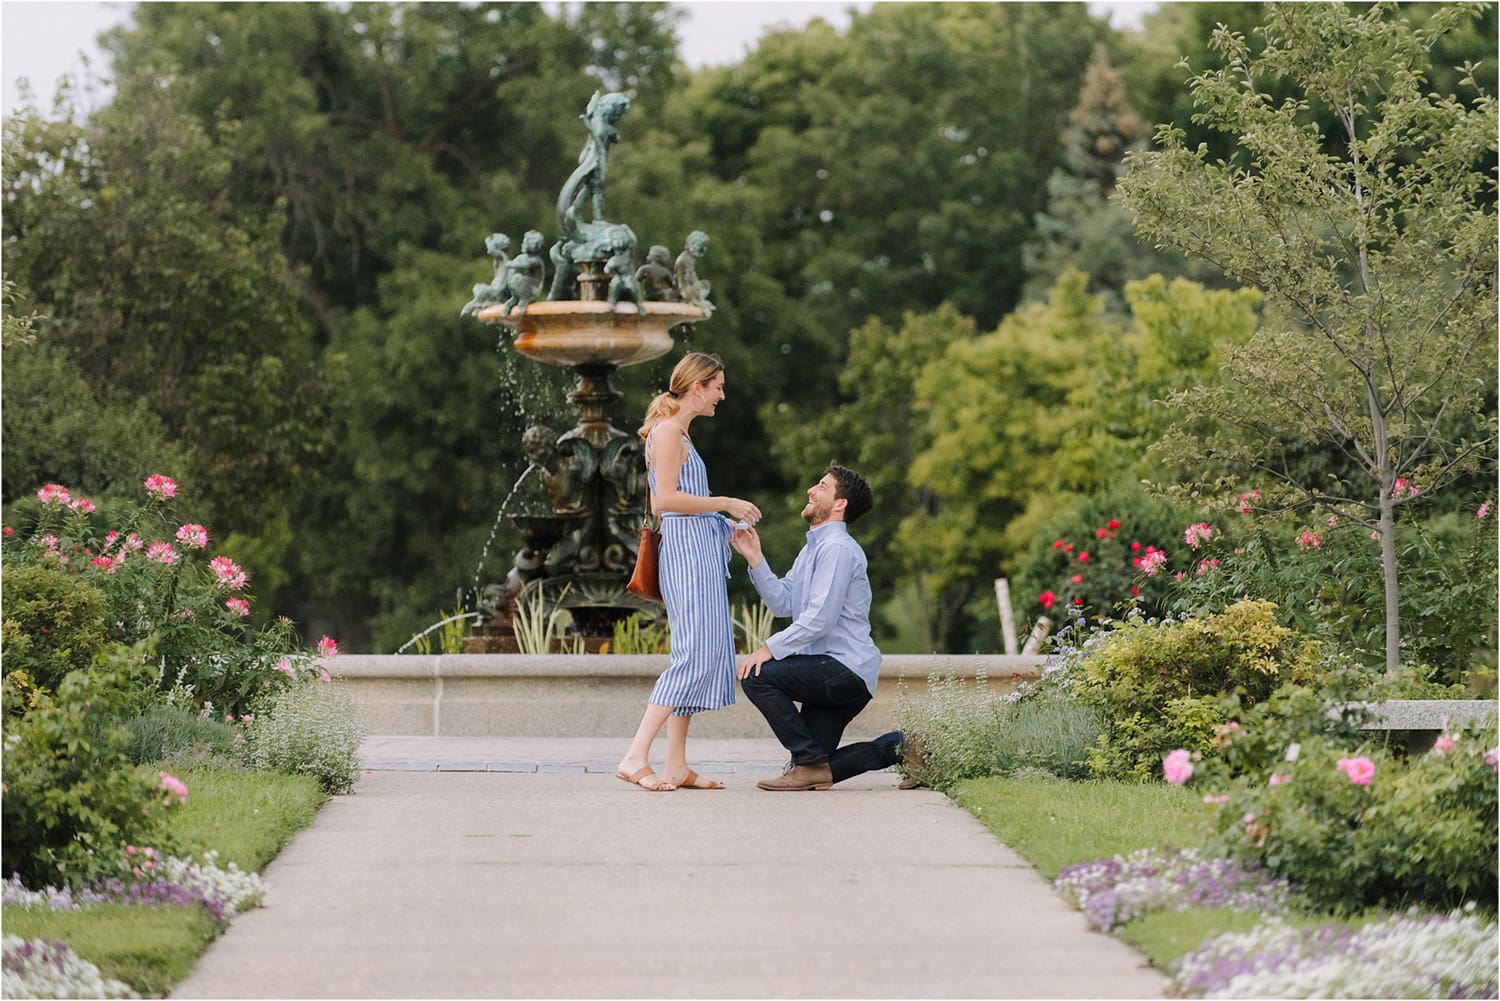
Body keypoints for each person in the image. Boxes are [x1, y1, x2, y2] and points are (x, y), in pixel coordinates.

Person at [615, 352, 762, 791]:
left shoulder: (680, 433)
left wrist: (723, 526)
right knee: (693, 656)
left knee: (700, 652)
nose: (722, 394)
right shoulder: (667, 431)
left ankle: (675, 764)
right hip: (684, 556)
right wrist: (724, 502)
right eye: (717, 385)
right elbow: (665, 502)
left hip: (699, 552)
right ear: (696, 387)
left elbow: (682, 499)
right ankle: (634, 755)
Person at [730, 465, 903, 791]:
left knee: (756, 675)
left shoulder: (836, 549)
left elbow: (820, 619)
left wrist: (769, 649)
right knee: (815, 767)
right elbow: (783, 603)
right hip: (833, 673)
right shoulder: (813, 549)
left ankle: (808, 762)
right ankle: (906, 747)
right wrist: (755, 559)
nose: (811, 489)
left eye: (822, 486)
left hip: (843, 670)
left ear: (839, 504)